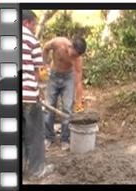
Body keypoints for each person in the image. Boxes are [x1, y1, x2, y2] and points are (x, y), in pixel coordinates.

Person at [22, 10, 54, 179]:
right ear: (27, 23)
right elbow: (36, 72)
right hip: (27, 96)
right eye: (34, 24)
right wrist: (37, 92)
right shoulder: (31, 40)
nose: (35, 28)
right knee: (34, 135)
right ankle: (37, 171)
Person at [43, 36, 87, 151]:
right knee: (49, 107)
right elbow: (45, 48)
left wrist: (79, 103)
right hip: (53, 76)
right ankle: (48, 137)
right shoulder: (58, 43)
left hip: (68, 79)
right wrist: (44, 65)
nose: (75, 57)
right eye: (74, 54)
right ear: (70, 46)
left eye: (77, 56)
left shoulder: (77, 59)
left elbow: (78, 82)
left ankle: (65, 139)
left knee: (67, 109)